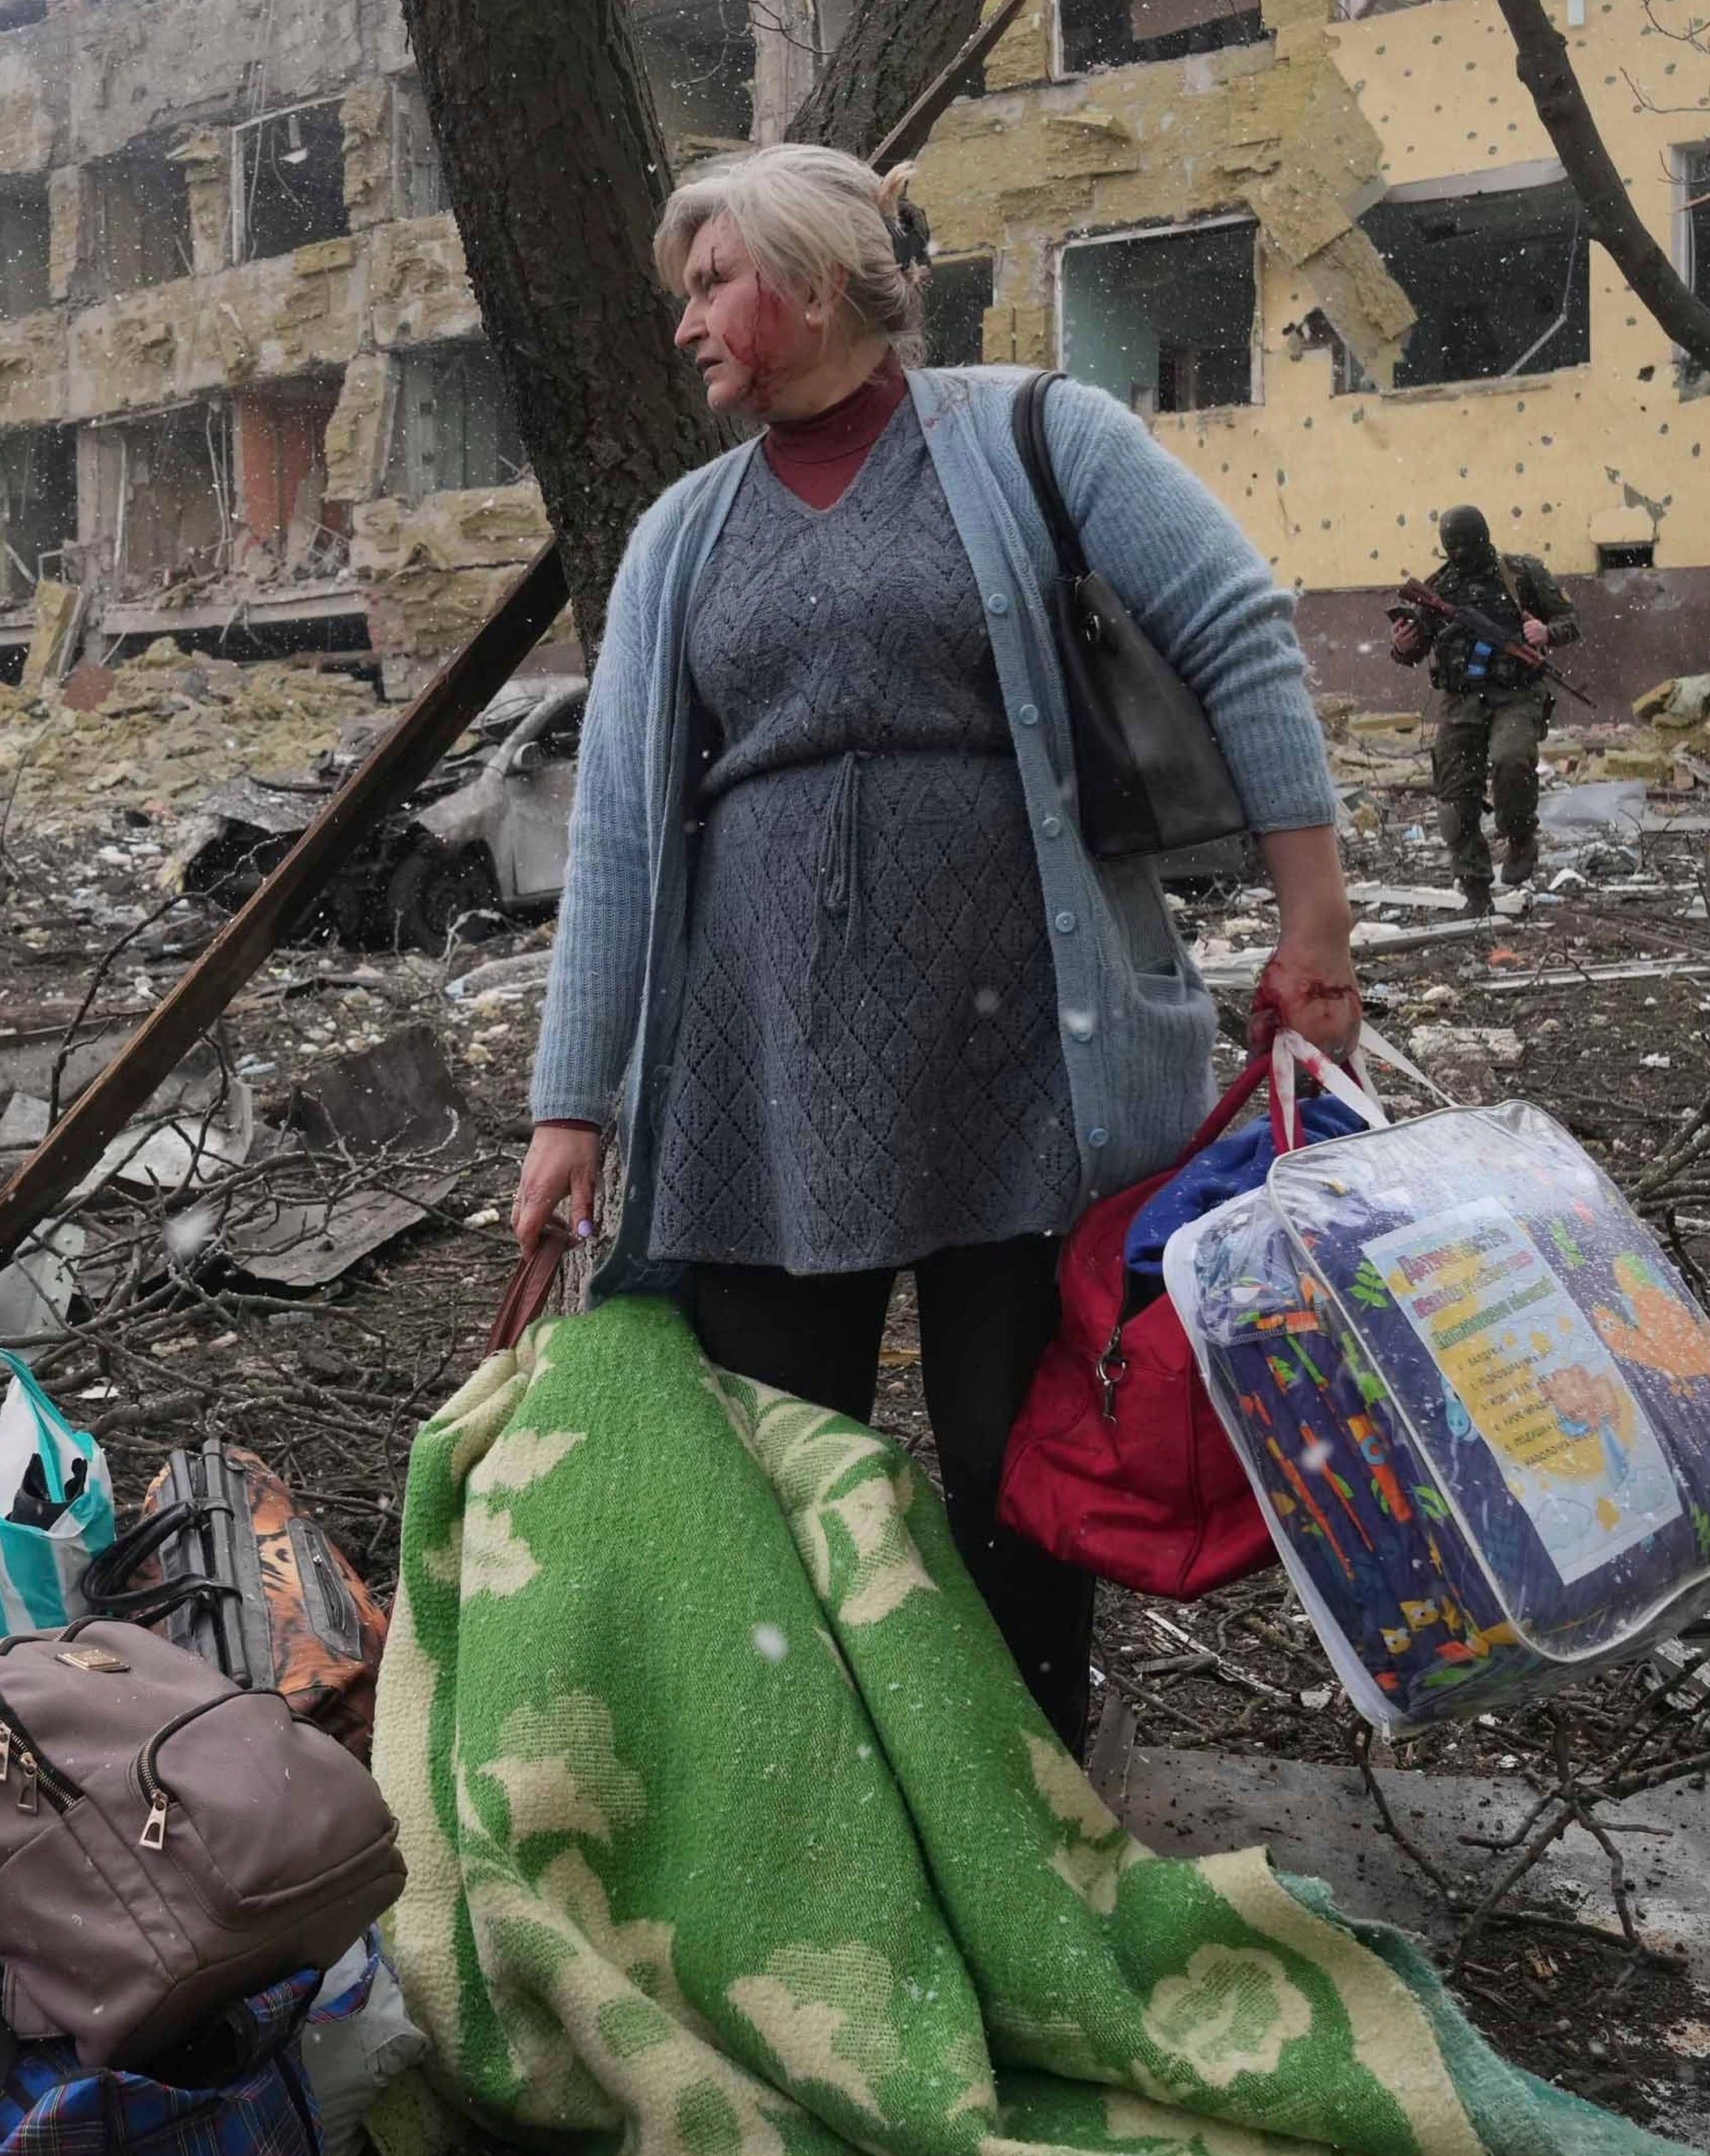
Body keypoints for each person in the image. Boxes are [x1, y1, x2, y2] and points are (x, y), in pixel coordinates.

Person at [510, 142, 1361, 1753]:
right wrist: (575, 1106)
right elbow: (619, 829)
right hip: (765, 1076)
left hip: (1023, 1051)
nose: (684, 322)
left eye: (711, 285)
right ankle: (815, 1806)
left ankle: (1029, 1800)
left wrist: (1315, 925)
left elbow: (1239, 630)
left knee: (1013, 1470)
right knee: (773, 1471)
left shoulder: (1033, 433)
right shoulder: (684, 533)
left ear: (814, 283)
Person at [1387, 506, 1579, 913]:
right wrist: (1403, 645)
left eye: (1468, 544)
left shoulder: (1521, 574)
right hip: (1460, 700)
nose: (1461, 553)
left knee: (1512, 760)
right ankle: (1475, 888)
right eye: (1453, 546)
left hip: (1517, 693)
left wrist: (1546, 632)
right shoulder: (1440, 587)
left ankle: (1520, 836)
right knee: (1454, 799)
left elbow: (1570, 620)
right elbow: (1415, 649)